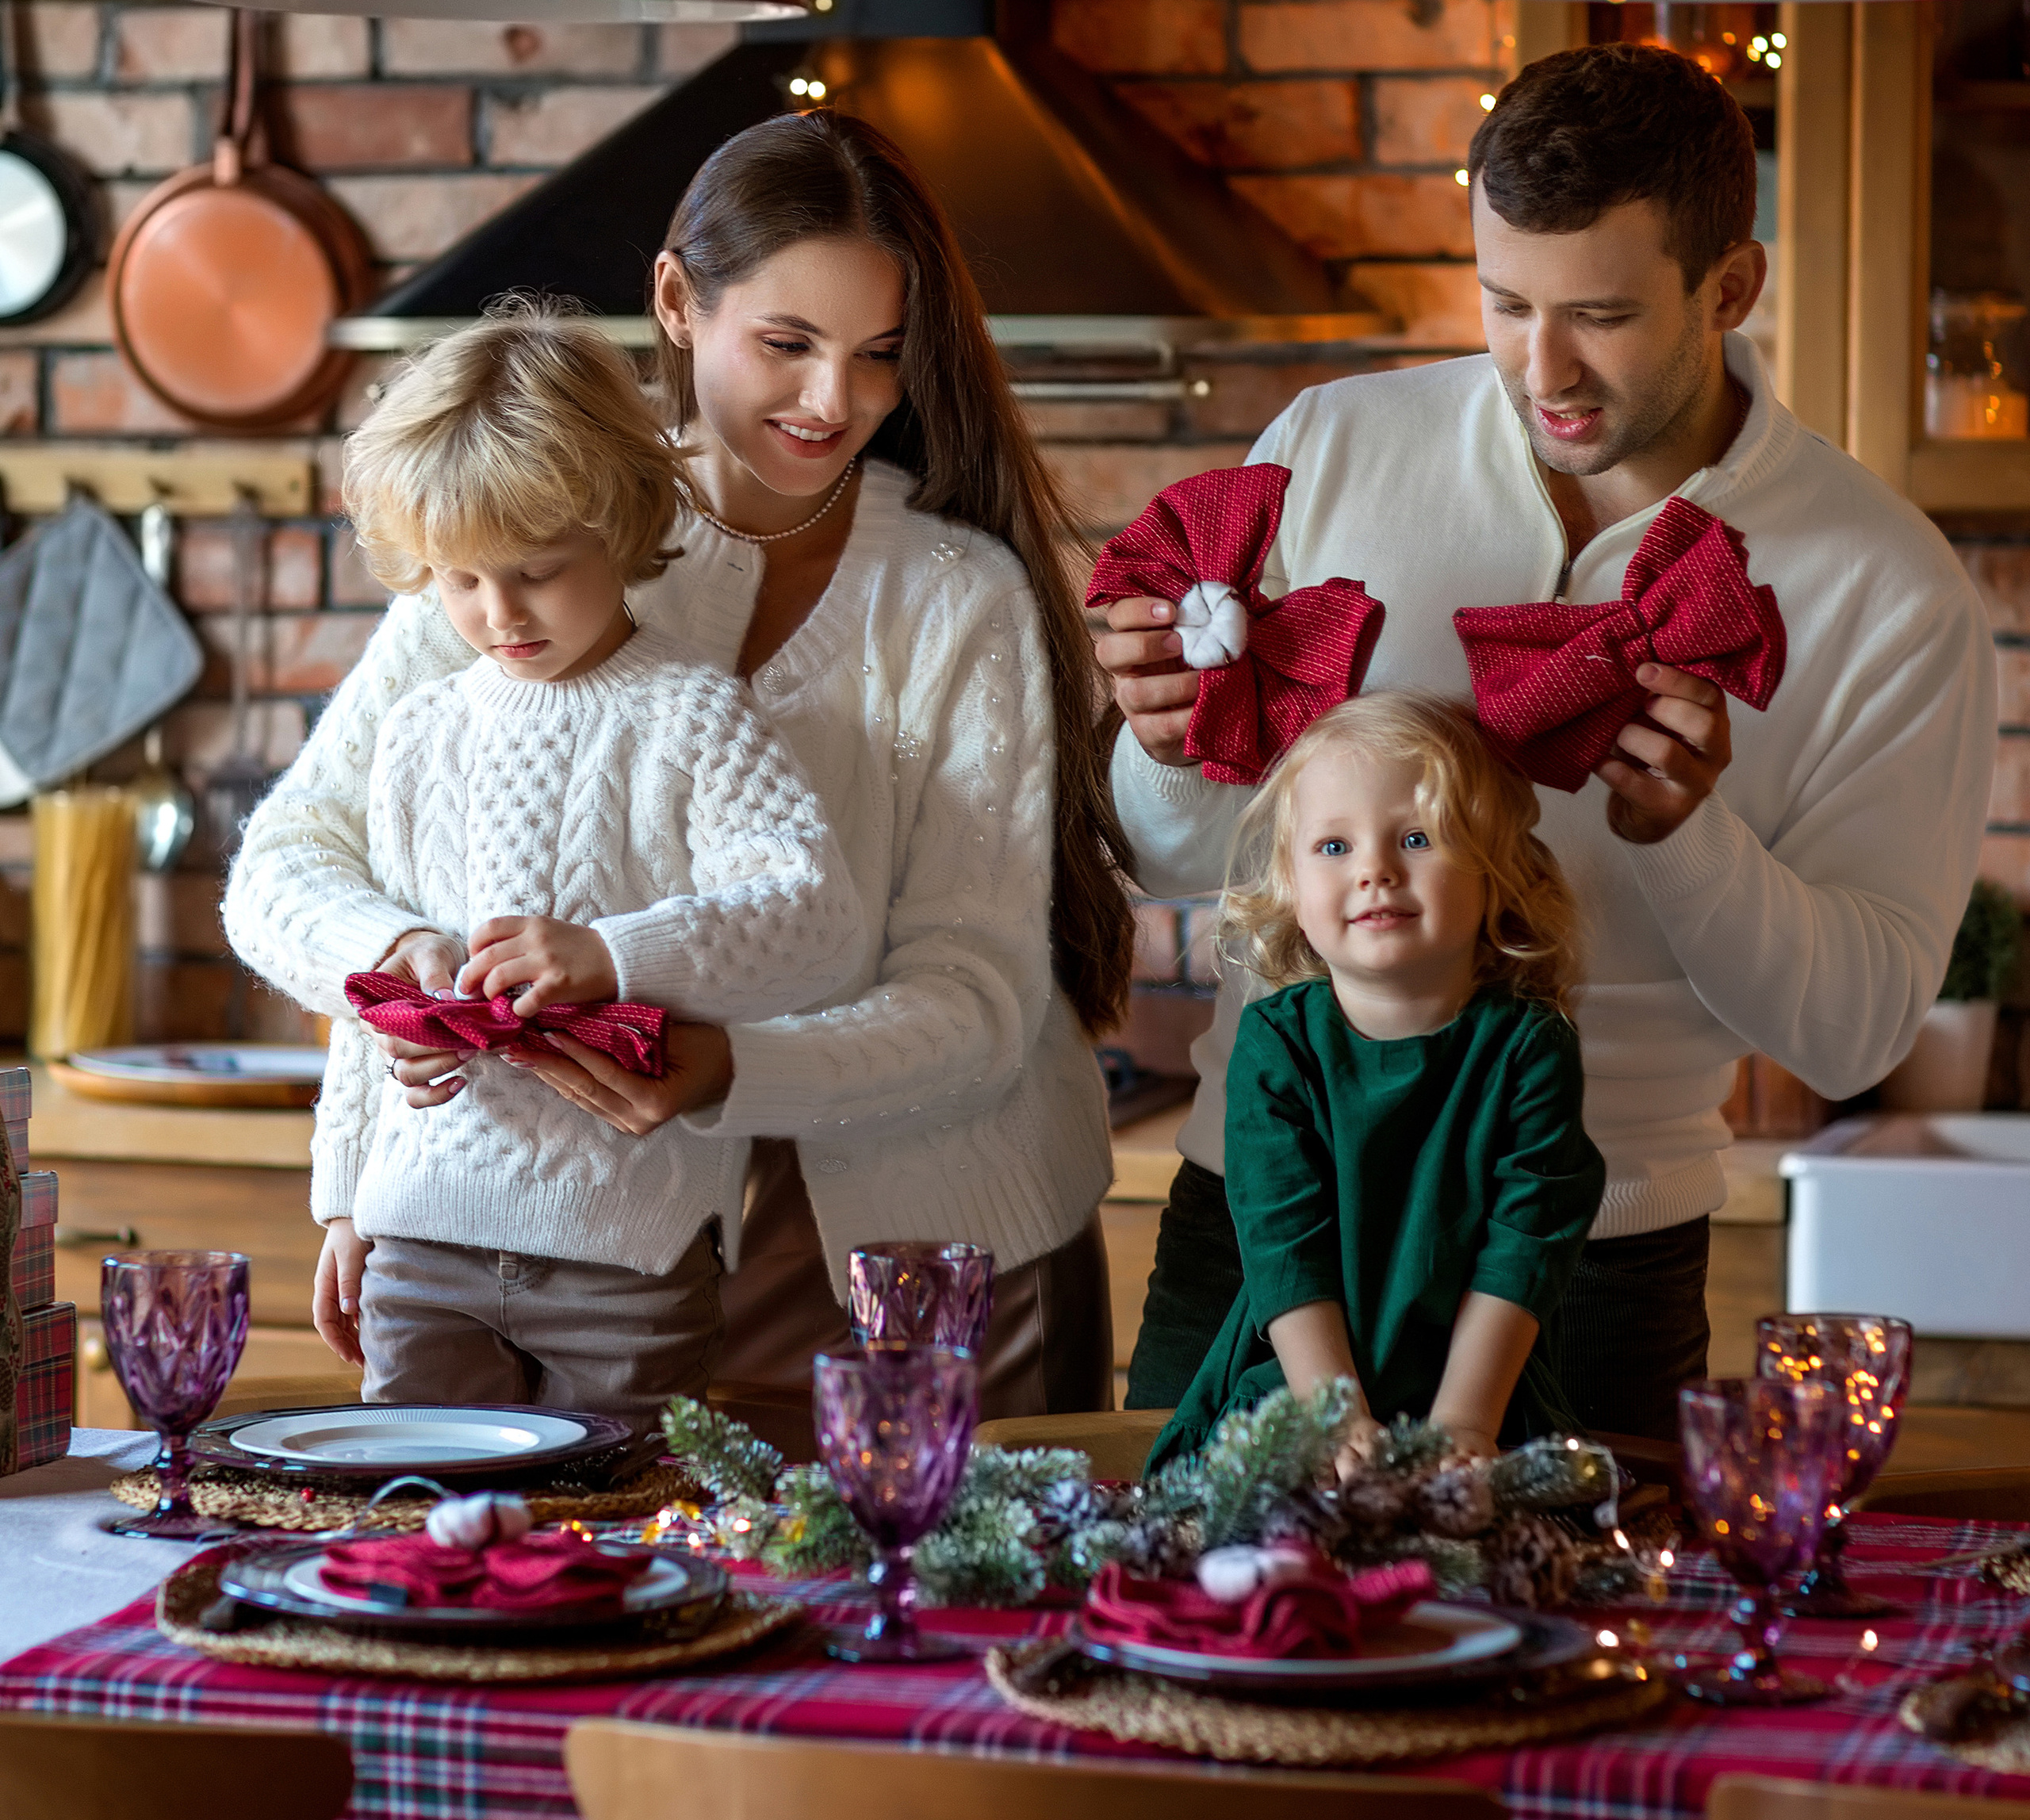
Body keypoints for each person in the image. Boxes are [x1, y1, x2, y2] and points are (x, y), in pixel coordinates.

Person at [1100, 42, 1997, 1443]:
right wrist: (1166, 741)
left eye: (1600, 314)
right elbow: (1171, 862)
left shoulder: (1885, 586)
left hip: (1596, 1255)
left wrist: (1693, 839)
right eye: (1505, 302)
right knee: (1174, 1641)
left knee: (1585, 1667)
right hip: (1271, 1217)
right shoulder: (1330, 447)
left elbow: (1861, 1025)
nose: (1540, 366)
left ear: (1732, 288)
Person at [226, 113, 1136, 1416]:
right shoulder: (528, 526)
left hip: (926, 1264)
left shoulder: (955, 596)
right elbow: (297, 864)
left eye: (880, 357)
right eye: (786, 344)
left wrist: (727, 1069)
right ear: (673, 301)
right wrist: (390, 1136)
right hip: (571, 1240)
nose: (837, 402)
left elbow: (977, 999)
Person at [308, 308, 864, 1416]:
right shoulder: (419, 732)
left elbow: (816, 920)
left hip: (632, 1252)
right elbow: (374, 1002)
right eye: (458, 579)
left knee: (616, 1550)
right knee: (414, 1542)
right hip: (419, 1242)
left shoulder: (695, 717)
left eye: (536, 571)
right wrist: (341, 1199)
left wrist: (614, 955)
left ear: (620, 524)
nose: (497, 612)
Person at [1148, 695, 1602, 1469]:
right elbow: (1282, 1244)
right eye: (1332, 847)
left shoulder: (1530, 1049)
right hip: (1298, 1385)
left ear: (1498, 874)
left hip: (1479, 1394)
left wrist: (1463, 1425)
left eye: (1416, 838)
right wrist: (1336, 1417)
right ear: (1289, 885)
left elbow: (1520, 1252)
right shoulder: (1276, 1045)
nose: (1375, 871)